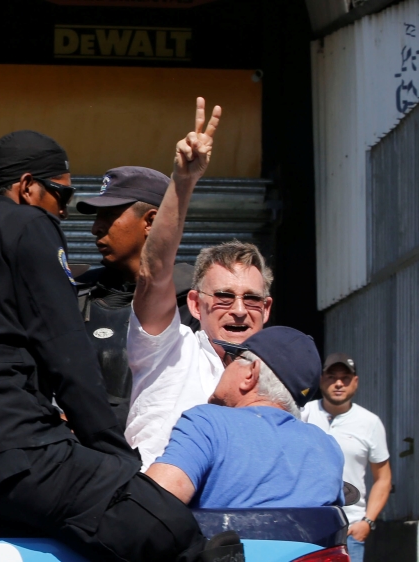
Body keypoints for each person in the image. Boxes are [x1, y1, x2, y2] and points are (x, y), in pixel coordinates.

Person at [0, 120, 244, 561]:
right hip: (7, 453)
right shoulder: (26, 225)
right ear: (26, 187)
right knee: (171, 530)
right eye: (60, 194)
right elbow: (67, 356)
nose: (62, 212)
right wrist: (119, 463)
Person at [128, 158, 274, 468]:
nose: (238, 310)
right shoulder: (168, 349)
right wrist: (182, 181)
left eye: (251, 299)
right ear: (195, 304)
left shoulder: (279, 374)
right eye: (223, 296)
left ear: (266, 308)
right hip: (156, 508)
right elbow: (154, 270)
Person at [147, 326, 344, 509]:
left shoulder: (208, 423)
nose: (224, 366)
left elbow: (151, 508)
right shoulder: (328, 447)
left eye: (232, 358)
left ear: (251, 373)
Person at [73, 166, 200, 428]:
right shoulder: (76, 292)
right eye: (97, 217)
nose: (96, 228)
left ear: (151, 221)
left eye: (109, 216)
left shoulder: (195, 300)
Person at [303, 353, 392, 562]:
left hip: (350, 531)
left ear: (356, 382)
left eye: (345, 378)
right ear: (321, 379)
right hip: (306, 528)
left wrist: (367, 522)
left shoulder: (370, 422)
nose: (338, 383)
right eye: (332, 377)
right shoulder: (302, 413)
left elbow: (383, 478)